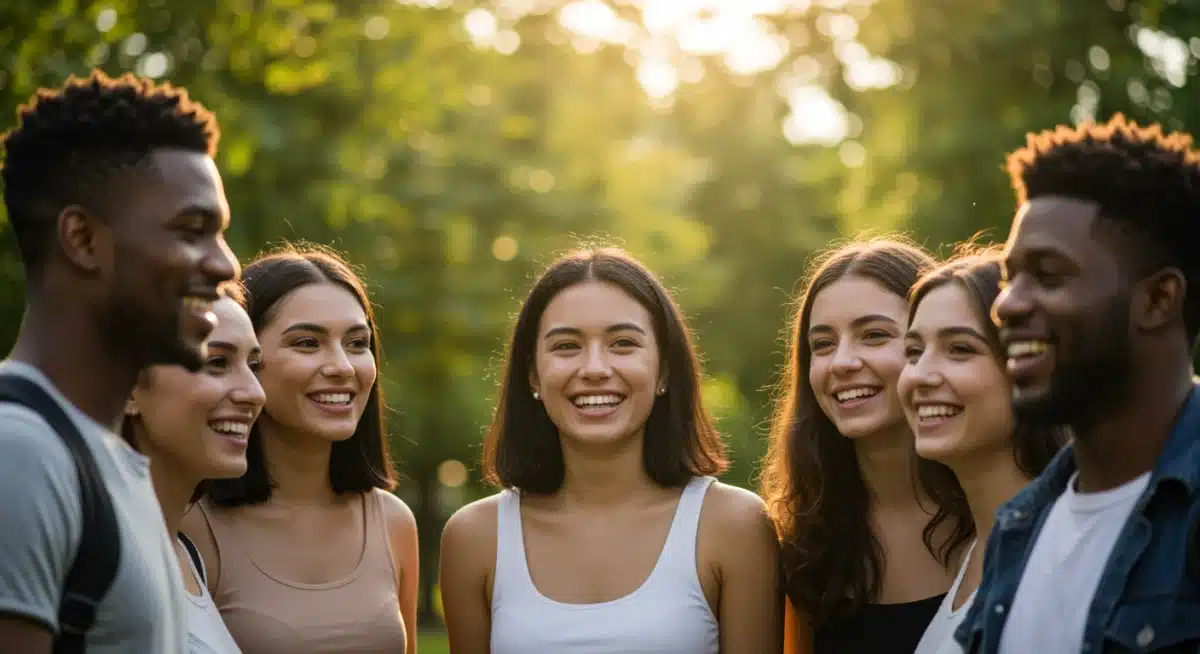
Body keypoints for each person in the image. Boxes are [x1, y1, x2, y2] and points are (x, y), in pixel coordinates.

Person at [439, 246, 780, 654]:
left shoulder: (734, 526)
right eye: (566, 346)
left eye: (622, 343)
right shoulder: (475, 538)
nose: (595, 369)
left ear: (664, 371)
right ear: (533, 374)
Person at [0, 70, 238, 652]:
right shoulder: (20, 454)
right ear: (82, 240)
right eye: (192, 230)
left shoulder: (113, 465)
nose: (226, 265)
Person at [954, 115, 1200, 653]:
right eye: (1007, 276)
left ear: (1158, 300)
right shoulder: (1019, 529)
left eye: (1047, 274)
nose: (1006, 304)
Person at [183, 246, 418, 654]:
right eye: (308, 343)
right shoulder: (190, 527)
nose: (343, 367)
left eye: (358, 343)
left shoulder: (393, 522)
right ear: (249, 359)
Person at [759, 237, 972, 654]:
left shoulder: (1004, 513)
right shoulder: (804, 538)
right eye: (822, 344)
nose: (841, 362)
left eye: (873, 335)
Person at [898, 249, 1063, 654]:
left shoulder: (1063, 551)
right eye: (914, 352)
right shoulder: (967, 552)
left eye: (960, 349)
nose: (920, 375)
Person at [122, 282, 264, 654]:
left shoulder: (187, 557)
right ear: (128, 387)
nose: (255, 392)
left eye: (254, 366)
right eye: (216, 362)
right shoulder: (87, 556)